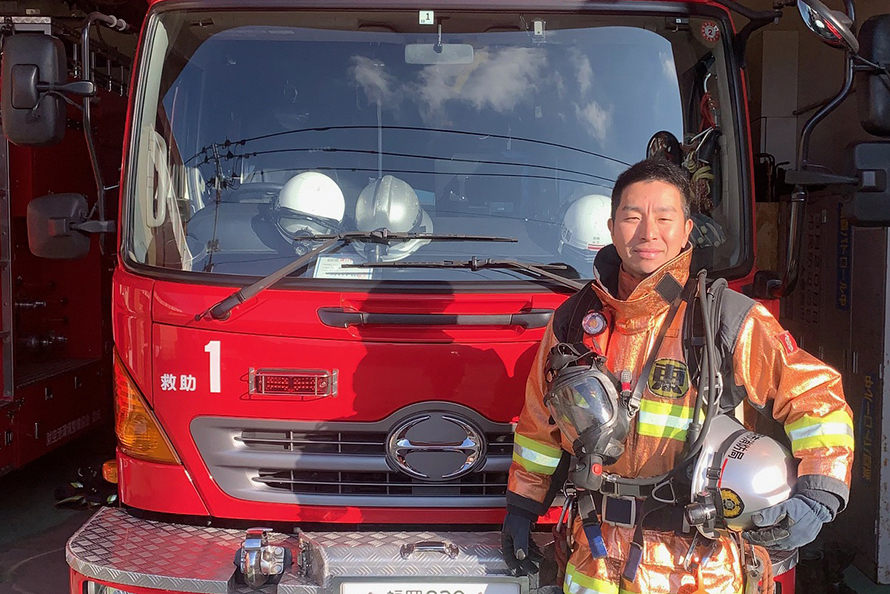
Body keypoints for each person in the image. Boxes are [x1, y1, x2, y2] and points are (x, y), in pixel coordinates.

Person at [502, 159, 854, 594]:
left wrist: (818, 495)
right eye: (632, 217)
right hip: (592, 559)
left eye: (664, 217)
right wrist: (522, 505)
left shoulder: (724, 318)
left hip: (698, 568)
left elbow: (816, 397)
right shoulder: (575, 321)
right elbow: (540, 423)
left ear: (687, 229)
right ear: (612, 227)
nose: (648, 232)